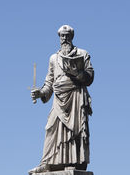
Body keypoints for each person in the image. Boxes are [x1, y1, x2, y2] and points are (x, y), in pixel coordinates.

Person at [29, 25, 94, 174]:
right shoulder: (53, 58)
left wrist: (78, 74)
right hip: (59, 98)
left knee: (75, 131)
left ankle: (73, 161)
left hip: (76, 96)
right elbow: (49, 83)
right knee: (51, 128)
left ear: (72, 37)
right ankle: (47, 163)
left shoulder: (83, 54)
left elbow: (90, 76)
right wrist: (40, 93)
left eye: (67, 36)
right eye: (62, 36)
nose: (64, 39)